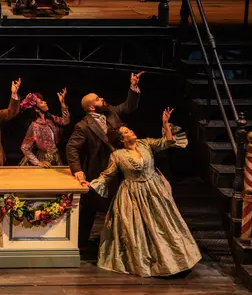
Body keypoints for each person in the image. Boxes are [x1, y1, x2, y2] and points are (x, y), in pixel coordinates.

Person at [82, 108, 201, 277]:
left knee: (163, 225)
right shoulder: (118, 155)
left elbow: (166, 143)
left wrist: (166, 124)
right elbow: (107, 175)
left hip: (154, 190)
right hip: (132, 194)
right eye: (127, 132)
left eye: (129, 129)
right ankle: (148, 262)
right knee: (137, 229)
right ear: (122, 139)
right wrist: (91, 184)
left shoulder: (145, 143)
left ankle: (175, 260)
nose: (131, 132)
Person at [66, 71, 144, 247]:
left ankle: (125, 242)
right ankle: (79, 243)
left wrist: (133, 86)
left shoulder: (112, 113)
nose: (102, 99)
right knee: (90, 208)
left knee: (123, 205)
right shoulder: (83, 126)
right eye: (98, 99)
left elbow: (129, 106)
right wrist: (77, 170)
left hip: (123, 168)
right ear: (91, 107)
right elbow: (71, 147)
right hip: (100, 168)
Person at [18, 88, 71, 167]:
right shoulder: (34, 126)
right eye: (41, 102)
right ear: (36, 109)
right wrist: (38, 162)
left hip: (56, 158)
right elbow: (24, 147)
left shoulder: (50, 119)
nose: (45, 102)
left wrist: (62, 103)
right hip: (43, 160)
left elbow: (66, 121)